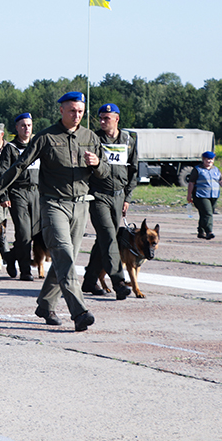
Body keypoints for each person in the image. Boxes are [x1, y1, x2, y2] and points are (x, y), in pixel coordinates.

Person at [0, 91, 109, 332]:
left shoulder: (90, 137)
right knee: (64, 256)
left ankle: (46, 303)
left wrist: (98, 164)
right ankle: (79, 311)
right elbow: (19, 167)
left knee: (64, 260)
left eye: (80, 111)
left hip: (80, 205)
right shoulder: (46, 137)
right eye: (72, 110)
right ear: (61, 110)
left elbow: (105, 173)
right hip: (53, 205)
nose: (76, 115)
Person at [83, 104, 137, 300]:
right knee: (108, 236)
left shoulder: (129, 140)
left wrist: (127, 198)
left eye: (107, 118)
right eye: (101, 118)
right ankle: (119, 282)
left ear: (117, 119)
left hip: (119, 195)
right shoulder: (94, 139)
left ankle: (89, 281)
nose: (103, 121)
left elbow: (134, 170)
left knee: (105, 240)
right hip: (98, 195)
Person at [0, 113, 41, 281]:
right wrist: (4, 195)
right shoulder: (10, 148)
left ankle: (10, 257)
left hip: (36, 192)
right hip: (18, 193)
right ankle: (25, 270)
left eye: (29, 125)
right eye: (23, 125)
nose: (26, 128)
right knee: (23, 233)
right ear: (17, 128)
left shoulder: (36, 145)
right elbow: (3, 173)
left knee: (34, 232)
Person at [187, 151, 222, 240]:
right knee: (208, 213)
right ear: (203, 159)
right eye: (207, 159)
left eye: (211, 159)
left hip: (214, 195)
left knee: (205, 214)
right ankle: (209, 231)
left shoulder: (216, 170)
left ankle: (201, 231)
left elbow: (221, 181)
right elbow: (191, 183)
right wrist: (189, 195)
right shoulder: (197, 170)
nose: (209, 161)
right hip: (200, 195)